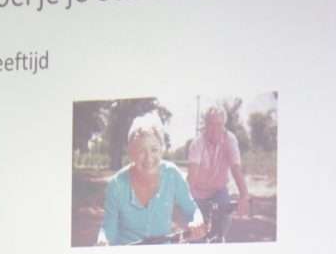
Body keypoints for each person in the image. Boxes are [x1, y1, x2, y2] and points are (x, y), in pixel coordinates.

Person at [97, 114, 205, 246]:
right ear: (131, 153)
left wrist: (197, 220)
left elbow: (192, 209)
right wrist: (103, 239)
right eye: (141, 151)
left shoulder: (172, 174)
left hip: (161, 252)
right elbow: (108, 227)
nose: (149, 158)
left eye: (154, 150)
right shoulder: (116, 185)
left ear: (162, 150)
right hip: (128, 253)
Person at [187, 105, 250, 241]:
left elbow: (236, 168)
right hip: (198, 191)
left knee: (225, 218)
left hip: (219, 189)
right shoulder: (197, 144)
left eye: (219, 124)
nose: (215, 129)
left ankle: (220, 238)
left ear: (224, 125)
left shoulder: (230, 140)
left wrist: (244, 195)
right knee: (197, 232)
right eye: (211, 124)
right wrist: (187, 202)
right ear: (205, 125)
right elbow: (191, 177)